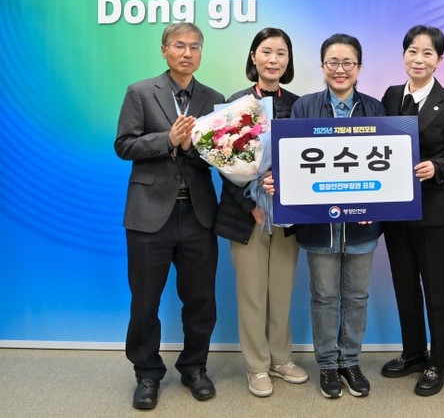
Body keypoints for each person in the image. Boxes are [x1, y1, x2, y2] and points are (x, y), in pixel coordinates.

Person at [265, 33, 385, 399]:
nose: (340, 69)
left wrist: (375, 205)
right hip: (319, 227)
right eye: (333, 62)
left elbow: (385, 166)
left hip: (362, 227)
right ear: (322, 66)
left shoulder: (375, 108)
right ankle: (329, 364)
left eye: (348, 62)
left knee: (358, 295)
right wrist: (278, 182)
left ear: (359, 68)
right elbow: (292, 161)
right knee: (324, 295)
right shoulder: (305, 107)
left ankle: (351, 360)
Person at [114, 22, 224, 410]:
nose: (187, 53)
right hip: (148, 214)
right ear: (164, 50)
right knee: (145, 301)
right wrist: (168, 140)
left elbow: (218, 157)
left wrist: (193, 146)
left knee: (201, 300)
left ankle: (194, 367)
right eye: (179, 45)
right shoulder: (140, 92)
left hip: (198, 215)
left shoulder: (214, 99)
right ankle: (147, 373)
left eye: (195, 46)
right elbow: (124, 145)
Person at [215, 27, 308, 397]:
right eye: (266, 51)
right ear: (253, 56)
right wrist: (250, 203)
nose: (273, 60)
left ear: (288, 60)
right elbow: (224, 163)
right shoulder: (235, 104)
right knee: (252, 293)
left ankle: (281, 359)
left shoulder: (300, 105)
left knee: (282, 291)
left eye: (281, 53)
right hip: (247, 217)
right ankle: (256, 366)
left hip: (287, 216)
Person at [379, 25, 444, 396]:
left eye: (427, 53)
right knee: (404, 285)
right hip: (395, 209)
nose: (418, 59)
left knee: (436, 287)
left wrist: (438, 167)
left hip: (434, 212)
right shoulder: (390, 95)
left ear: (439, 60)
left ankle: (440, 361)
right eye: (412, 51)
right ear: (404, 55)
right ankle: (414, 352)